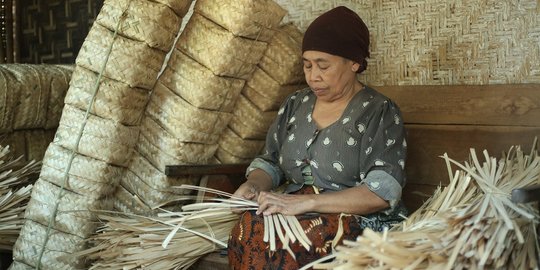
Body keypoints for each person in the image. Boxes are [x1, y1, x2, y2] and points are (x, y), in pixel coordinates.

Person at [228, 6, 408, 269]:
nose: (313, 76)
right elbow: (271, 162)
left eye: (323, 66)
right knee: (248, 229)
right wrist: (255, 185)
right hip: (296, 211)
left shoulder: (378, 111)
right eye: (307, 65)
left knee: (295, 244)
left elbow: (380, 193)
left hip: (355, 219)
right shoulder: (295, 104)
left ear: (354, 63)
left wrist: (306, 202)